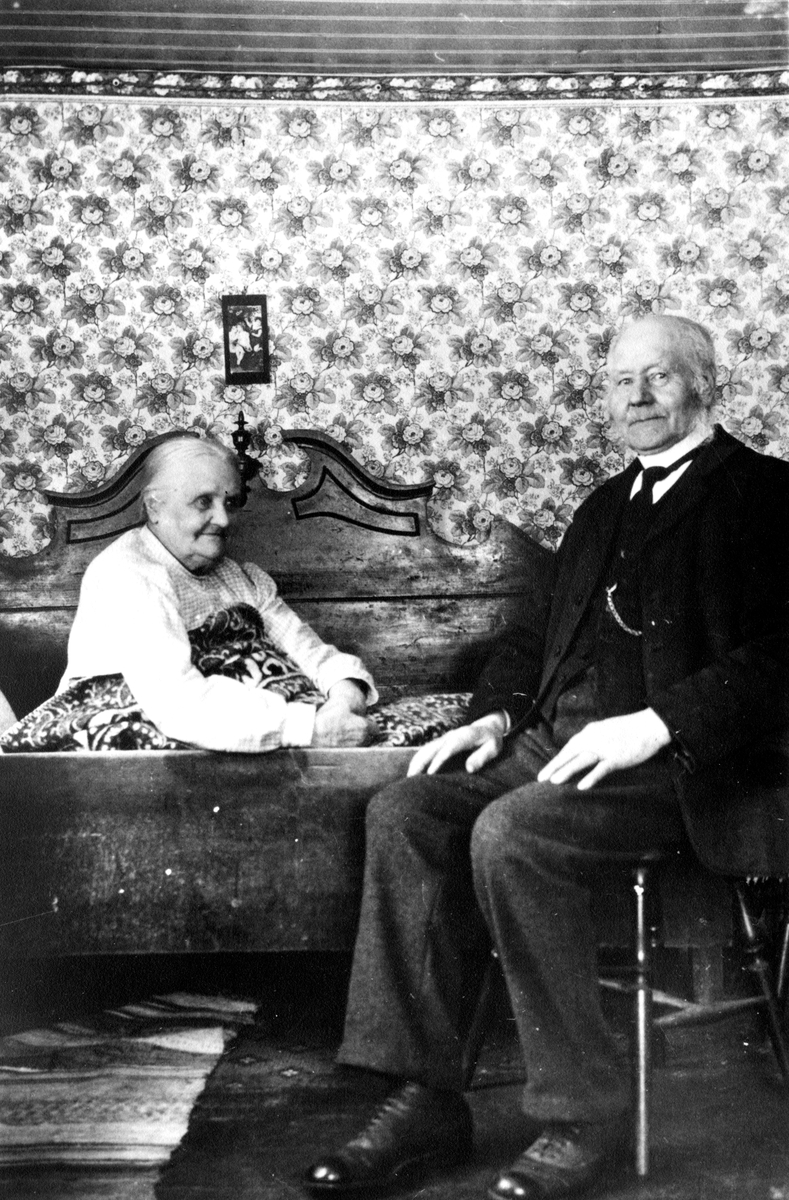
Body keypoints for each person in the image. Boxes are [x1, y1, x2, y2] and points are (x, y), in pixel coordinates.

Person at [302, 314, 789, 1200]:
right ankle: (422, 1098)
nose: (636, 397)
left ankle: (581, 1114)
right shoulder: (601, 506)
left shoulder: (765, 495)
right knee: (405, 811)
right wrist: (491, 719)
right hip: (553, 745)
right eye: (619, 381)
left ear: (705, 384)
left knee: (512, 833)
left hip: (682, 767)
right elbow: (533, 639)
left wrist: (658, 724)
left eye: (658, 376)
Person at [61, 435, 377, 751]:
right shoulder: (127, 574)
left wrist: (344, 701)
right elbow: (180, 705)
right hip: (141, 755)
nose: (224, 519)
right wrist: (312, 729)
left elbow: (311, 654)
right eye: (203, 502)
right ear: (155, 507)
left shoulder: (237, 577)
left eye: (230, 503)